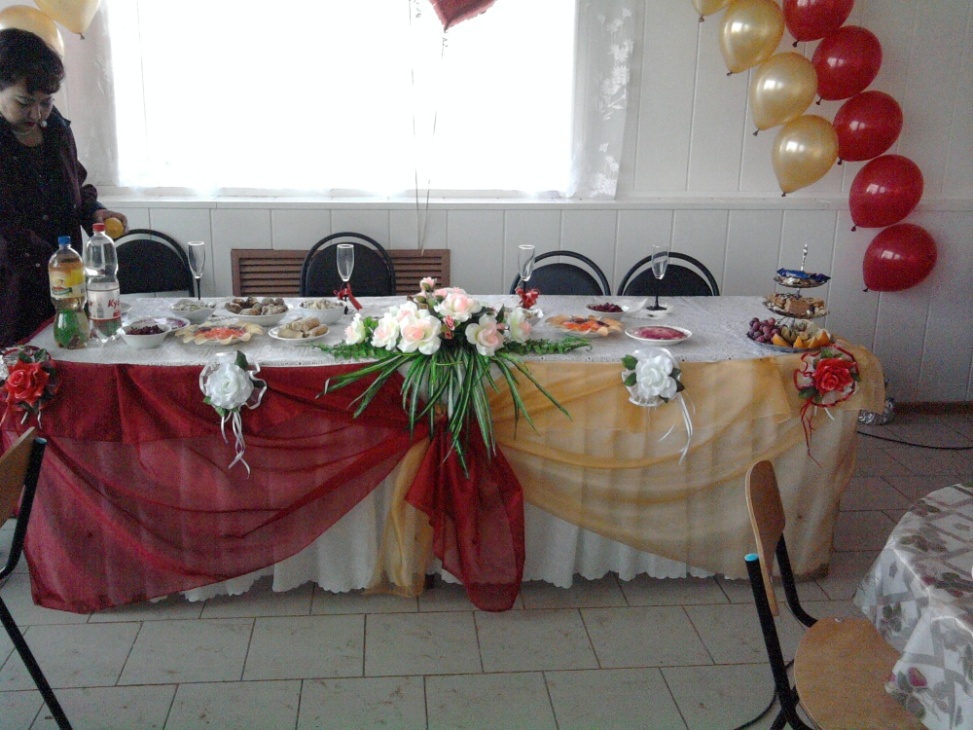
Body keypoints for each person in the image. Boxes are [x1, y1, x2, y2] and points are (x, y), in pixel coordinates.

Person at [0, 27, 128, 347]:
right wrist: (62, 266)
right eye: (24, 102)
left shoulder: (55, 128)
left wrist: (94, 212)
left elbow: (75, 187)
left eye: (46, 102)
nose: (37, 114)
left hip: (68, 291)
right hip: (13, 298)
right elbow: (7, 233)